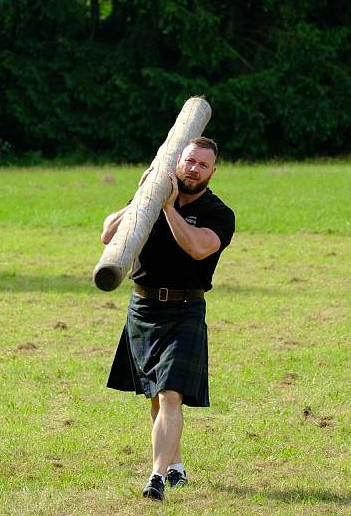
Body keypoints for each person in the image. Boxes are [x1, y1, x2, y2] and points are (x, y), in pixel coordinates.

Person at [102, 136, 235, 501]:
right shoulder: (151, 196)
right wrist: (143, 195)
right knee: (157, 397)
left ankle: (156, 477)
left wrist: (169, 208)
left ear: (212, 171)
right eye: (189, 161)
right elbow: (108, 235)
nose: (193, 169)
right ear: (178, 160)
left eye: (202, 165)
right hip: (143, 308)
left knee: (170, 392)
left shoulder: (218, 213)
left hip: (185, 309)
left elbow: (196, 248)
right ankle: (174, 466)